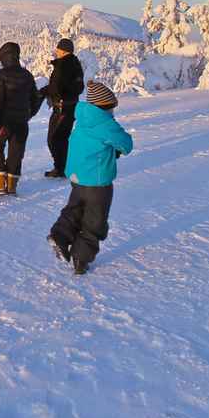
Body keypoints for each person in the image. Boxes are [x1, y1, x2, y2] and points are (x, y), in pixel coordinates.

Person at [48, 81, 133, 274]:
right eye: (111, 108)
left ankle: (59, 236)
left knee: (75, 210)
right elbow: (127, 145)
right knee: (95, 220)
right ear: (104, 107)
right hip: (98, 182)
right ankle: (81, 258)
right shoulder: (105, 124)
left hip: (78, 178)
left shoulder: (83, 118)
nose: (113, 112)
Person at [0, 41, 43, 196]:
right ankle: (11, 186)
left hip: (4, 123)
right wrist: (27, 115)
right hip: (22, 123)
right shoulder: (27, 75)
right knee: (16, 153)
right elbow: (36, 99)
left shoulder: (2, 74)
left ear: (4, 57)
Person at [37, 38, 84, 177]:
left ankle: (61, 168)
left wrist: (43, 93)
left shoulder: (62, 65)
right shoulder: (76, 64)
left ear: (63, 50)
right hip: (72, 106)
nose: (56, 51)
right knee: (63, 138)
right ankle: (65, 166)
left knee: (54, 138)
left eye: (57, 49)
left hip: (62, 107)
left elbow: (56, 87)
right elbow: (78, 87)